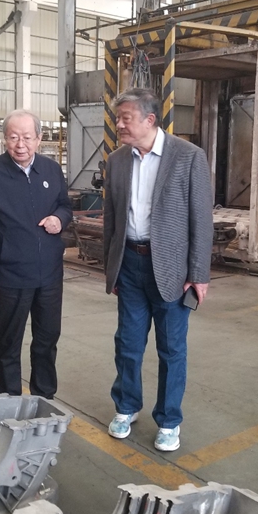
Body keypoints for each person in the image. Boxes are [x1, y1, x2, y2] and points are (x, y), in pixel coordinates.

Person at [103, 87, 213, 452]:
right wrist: (112, 267)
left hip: (171, 269)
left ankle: (168, 420)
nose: (119, 125)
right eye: (118, 118)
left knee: (171, 348)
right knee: (128, 343)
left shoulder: (188, 156)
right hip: (130, 264)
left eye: (126, 119)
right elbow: (111, 218)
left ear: (150, 120)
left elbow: (201, 219)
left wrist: (198, 274)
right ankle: (126, 406)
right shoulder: (117, 160)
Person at [0, 109, 72, 399]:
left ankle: (44, 398)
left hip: (49, 275)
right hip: (10, 276)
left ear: (39, 139)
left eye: (27, 137)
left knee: (47, 340)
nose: (20, 144)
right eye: (13, 137)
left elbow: (65, 205)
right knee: (8, 343)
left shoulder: (51, 170)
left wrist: (59, 219)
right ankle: (9, 401)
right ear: (5, 139)